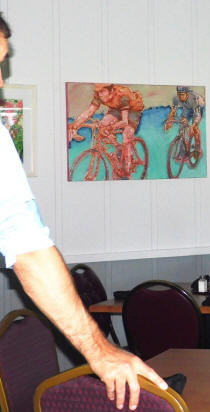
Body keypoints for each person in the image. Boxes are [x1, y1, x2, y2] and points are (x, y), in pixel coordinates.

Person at [0, 14, 166, 410]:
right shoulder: (101, 98)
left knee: (123, 132)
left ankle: (128, 157)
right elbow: (28, 249)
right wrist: (100, 350)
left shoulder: (123, 97)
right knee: (101, 128)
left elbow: (26, 245)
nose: (2, 82)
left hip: (132, 114)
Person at [68, 83, 145, 176]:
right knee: (103, 124)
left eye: (103, 91)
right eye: (99, 92)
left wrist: (110, 128)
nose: (100, 94)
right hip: (116, 109)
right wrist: (75, 125)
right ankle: (118, 147)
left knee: (126, 135)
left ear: (111, 91)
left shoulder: (122, 96)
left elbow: (124, 122)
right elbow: (90, 111)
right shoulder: (99, 95)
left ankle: (127, 167)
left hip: (133, 110)